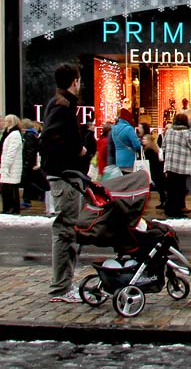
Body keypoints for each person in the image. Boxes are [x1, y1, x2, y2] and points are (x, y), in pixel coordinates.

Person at [40, 64, 86, 303]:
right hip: (65, 175)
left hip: (63, 174)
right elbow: (51, 137)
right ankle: (61, 287)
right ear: (74, 81)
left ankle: (64, 284)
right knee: (65, 231)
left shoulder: (57, 103)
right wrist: (77, 149)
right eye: (79, 80)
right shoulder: (63, 105)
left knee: (66, 230)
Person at [162, 113, 191, 219]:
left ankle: (169, 209)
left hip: (170, 164)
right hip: (182, 165)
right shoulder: (187, 133)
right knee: (180, 189)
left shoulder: (169, 132)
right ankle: (176, 210)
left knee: (171, 189)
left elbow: (163, 146)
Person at [1, 115, 24, 214]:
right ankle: (9, 208)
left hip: (12, 166)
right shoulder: (10, 133)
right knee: (7, 188)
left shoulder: (14, 134)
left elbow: (11, 151)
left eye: (7, 121)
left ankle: (12, 208)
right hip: (9, 165)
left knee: (11, 188)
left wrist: (7, 165)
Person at [111, 108, 141, 173]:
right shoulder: (129, 128)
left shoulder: (114, 129)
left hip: (118, 159)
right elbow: (137, 146)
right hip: (129, 159)